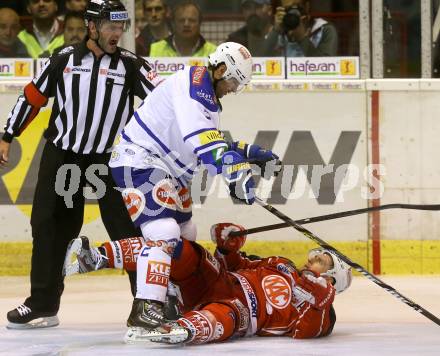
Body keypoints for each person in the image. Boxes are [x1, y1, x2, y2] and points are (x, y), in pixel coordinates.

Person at [1, 0, 163, 330]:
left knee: (127, 231)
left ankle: (148, 305)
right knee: (49, 227)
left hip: (109, 160)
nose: (117, 33)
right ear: (92, 27)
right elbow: (32, 98)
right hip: (63, 156)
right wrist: (7, 134)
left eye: (120, 27)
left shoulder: (131, 65)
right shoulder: (63, 60)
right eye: (109, 27)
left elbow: (165, 100)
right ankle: (42, 305)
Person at [104, 41, 281, 331]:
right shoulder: (194, 83)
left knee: (187, 233)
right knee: (164, 232)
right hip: (140, 160)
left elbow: (204, 142)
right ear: (221, 69)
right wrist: (234, 169)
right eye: (234, 81)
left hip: (167, 169)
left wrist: (244, 152)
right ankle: (146, 307)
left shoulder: (205, 95)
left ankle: (171, 296)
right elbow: (201, 142)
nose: (233, 89)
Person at [64, 222, 352, 344]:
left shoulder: (322, 310)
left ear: (331, 279)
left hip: (238, 309)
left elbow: (307, 332)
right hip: (219, 281)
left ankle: (178, 328)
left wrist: (319, 299)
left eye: (321, 262)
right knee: (183, 249)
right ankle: (97, 256)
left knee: (229, 316)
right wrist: (228, 247)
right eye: (315, 255)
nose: (311, 260)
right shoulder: (283, 265)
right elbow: (238, 265)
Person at [265, 0, 338, 57]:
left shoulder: (324, 30)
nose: (293, 13)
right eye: (288, 9)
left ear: (307, 6)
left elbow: (326, 68)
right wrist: (275, 31)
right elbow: (258, 64)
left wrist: (302, 38)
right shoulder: (276, 32)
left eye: (297, 7)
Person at [150, 0, 216, 57]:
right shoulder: (155, 49)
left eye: (192, 20)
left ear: (199, 23)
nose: (186, 24)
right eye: (181, 20)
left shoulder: (213, 52)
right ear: (173, 23)